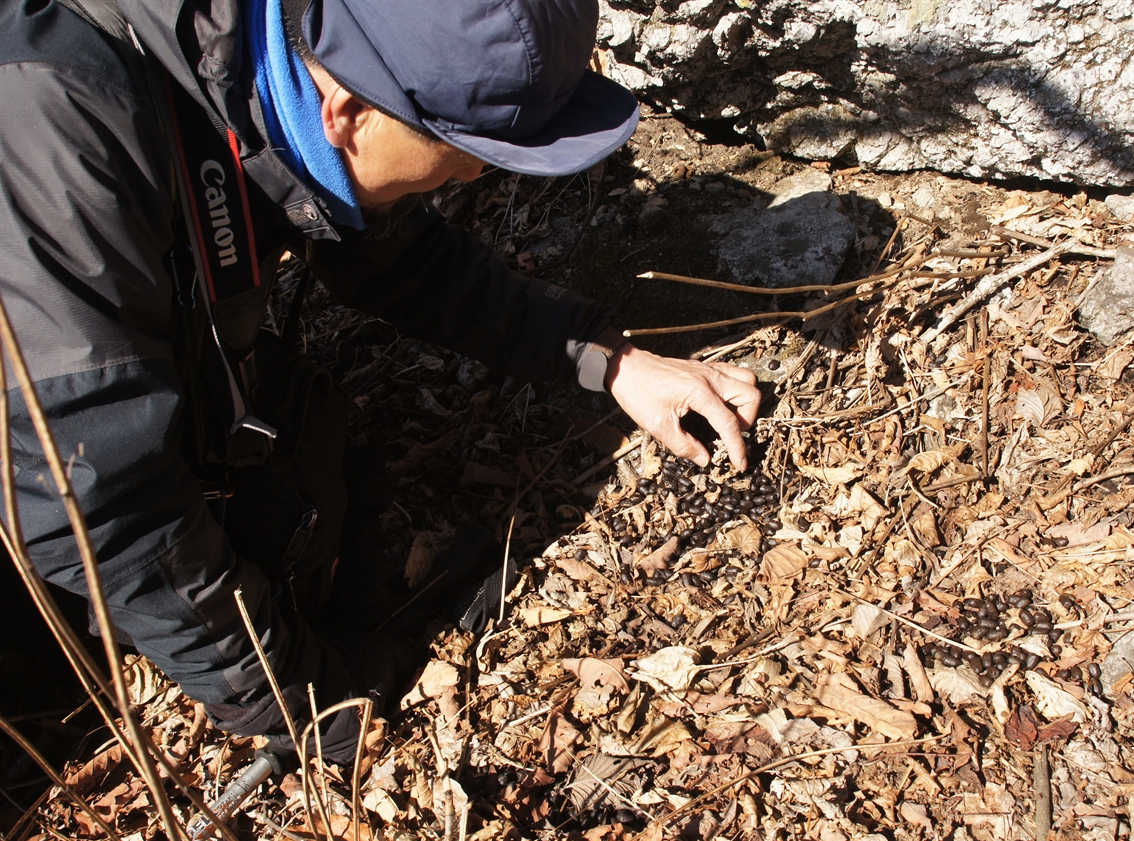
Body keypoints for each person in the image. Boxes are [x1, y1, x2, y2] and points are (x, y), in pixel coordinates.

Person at [0, 0, 760, 764]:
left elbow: (405, 263)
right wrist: (306, 700)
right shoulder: (61, 131)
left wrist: (614, 360)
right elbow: (100, 504)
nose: (477, 173)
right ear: (347, 110)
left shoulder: (272, 61)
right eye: (464, 149)